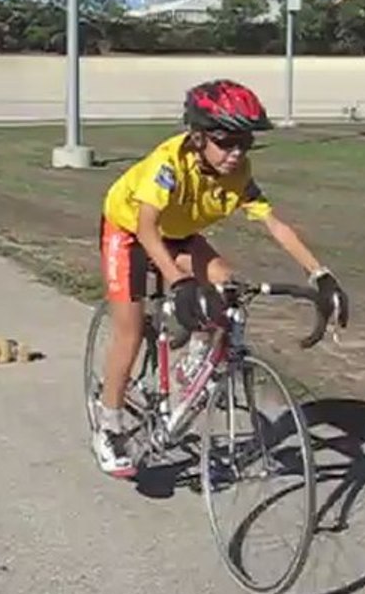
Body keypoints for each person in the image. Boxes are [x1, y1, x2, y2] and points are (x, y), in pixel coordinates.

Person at [93, 78, 350, 478]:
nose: (236, 153)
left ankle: (193, 363)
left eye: (245, 143)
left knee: (228, 287)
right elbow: (146, 229)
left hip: (178, 233)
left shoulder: (237, 172)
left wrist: (321, 274)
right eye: (226, 142)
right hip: (129, 232)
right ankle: (109, 424)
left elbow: (275, 224)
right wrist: (179, 283)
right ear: (197, 138)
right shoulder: (168, 165)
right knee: (130, 329)